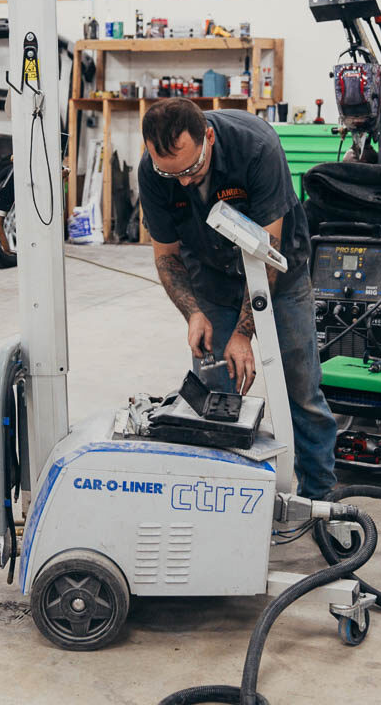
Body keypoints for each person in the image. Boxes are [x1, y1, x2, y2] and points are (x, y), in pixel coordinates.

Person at [137, 97, 337, 499]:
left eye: (192, 169)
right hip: (210, 277)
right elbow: (166, 255)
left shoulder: (256, 147)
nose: (184, 182)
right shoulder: (154, 172)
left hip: (280, 271)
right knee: (213, 401)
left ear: (208, 137)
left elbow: (268, 253)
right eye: (169, 173)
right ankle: (228, 500)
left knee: (301, 389)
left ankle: (320, 495)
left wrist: (244, 332)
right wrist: (193, 313)